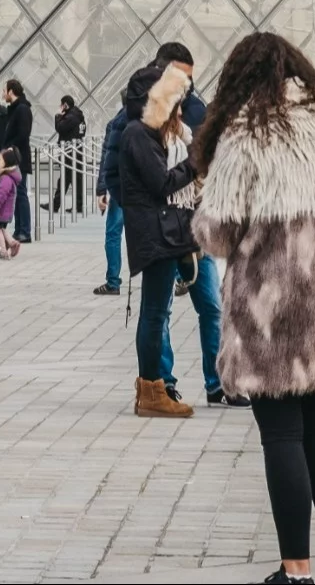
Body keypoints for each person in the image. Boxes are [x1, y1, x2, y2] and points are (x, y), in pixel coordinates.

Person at [194, 32, 315, 585]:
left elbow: (218, 232)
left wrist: (199, 216)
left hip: (268, 311)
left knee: (282, 439)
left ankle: (295, 570)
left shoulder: (248, 132)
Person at [149, 41, 231, 409]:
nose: (189, 86)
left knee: (212, 307)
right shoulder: (141, 118)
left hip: (197, 224)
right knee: (162, 309)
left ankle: (218, 384)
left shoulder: (198, 111)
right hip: (164, 227)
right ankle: (164, 382)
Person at [119, 59, 203, 419]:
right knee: (154, 314)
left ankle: (152, 388)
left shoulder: (145, 133)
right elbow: (161, 184)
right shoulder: (139, 134)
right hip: (154, 233)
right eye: (174, 100)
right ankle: (151, 390)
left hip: (157, 231)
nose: (180, 109)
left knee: (156, 312)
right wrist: (195, 163)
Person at [97, 94, 129, 296]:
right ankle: (177, 277)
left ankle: (113, 281)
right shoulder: (152, 120)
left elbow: (107, 158)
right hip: (143, 188)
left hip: (119, 187)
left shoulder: (115, 123)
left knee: (113, 234)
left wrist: (102, 189)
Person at [1, 80, 35, 242]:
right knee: (17, 194)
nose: (3, 94)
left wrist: (8, 149)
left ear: (11, 91)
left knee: (20, 193)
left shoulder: (21, 109)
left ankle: (25, 231)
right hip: (15, 157)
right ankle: (20, 229)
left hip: (18, 158)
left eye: (4, 91)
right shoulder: (18, 109)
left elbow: (23, 135)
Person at [51, 93, 86, 214]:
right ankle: (76, 205)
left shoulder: (70, 117)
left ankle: (57, 205)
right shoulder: (79, 115)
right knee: (74, 179)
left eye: (61, 104)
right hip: (77, 150)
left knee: (66, 178)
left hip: (69, 152)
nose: (60, 106)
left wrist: (57, 116)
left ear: (65, 105)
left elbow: (60, 128)